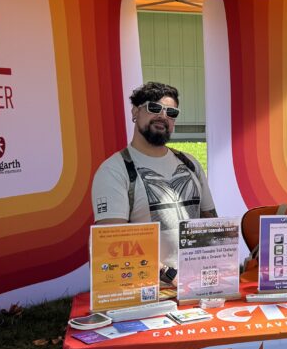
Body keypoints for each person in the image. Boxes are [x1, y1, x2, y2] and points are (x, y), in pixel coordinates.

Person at [91, 81, 216, 286]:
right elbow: (112, 242)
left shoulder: (190, 163)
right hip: (144, 289)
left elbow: (209, 221)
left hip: (197, 284)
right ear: (135, 112)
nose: (163, 116)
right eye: (154, 108)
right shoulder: (113, 171)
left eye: (171, 112)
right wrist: (170, 275)